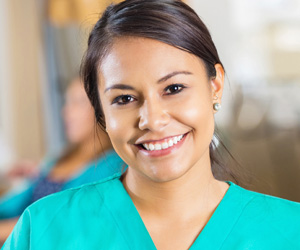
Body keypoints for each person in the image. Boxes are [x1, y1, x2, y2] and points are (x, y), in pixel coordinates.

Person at [2, 1, 300, 249]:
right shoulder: (42, 230)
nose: (153, 120)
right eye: (124, 98)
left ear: (216, 86)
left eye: (174, 89)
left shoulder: (289, 232)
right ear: (102, 113)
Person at [0, 78, 124, 244]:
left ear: (102, 110)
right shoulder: (59, 159)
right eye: (67, 102)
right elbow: (12, 205)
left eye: (77, 103)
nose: (66, 112)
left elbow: (61, 220)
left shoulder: (112, 166)